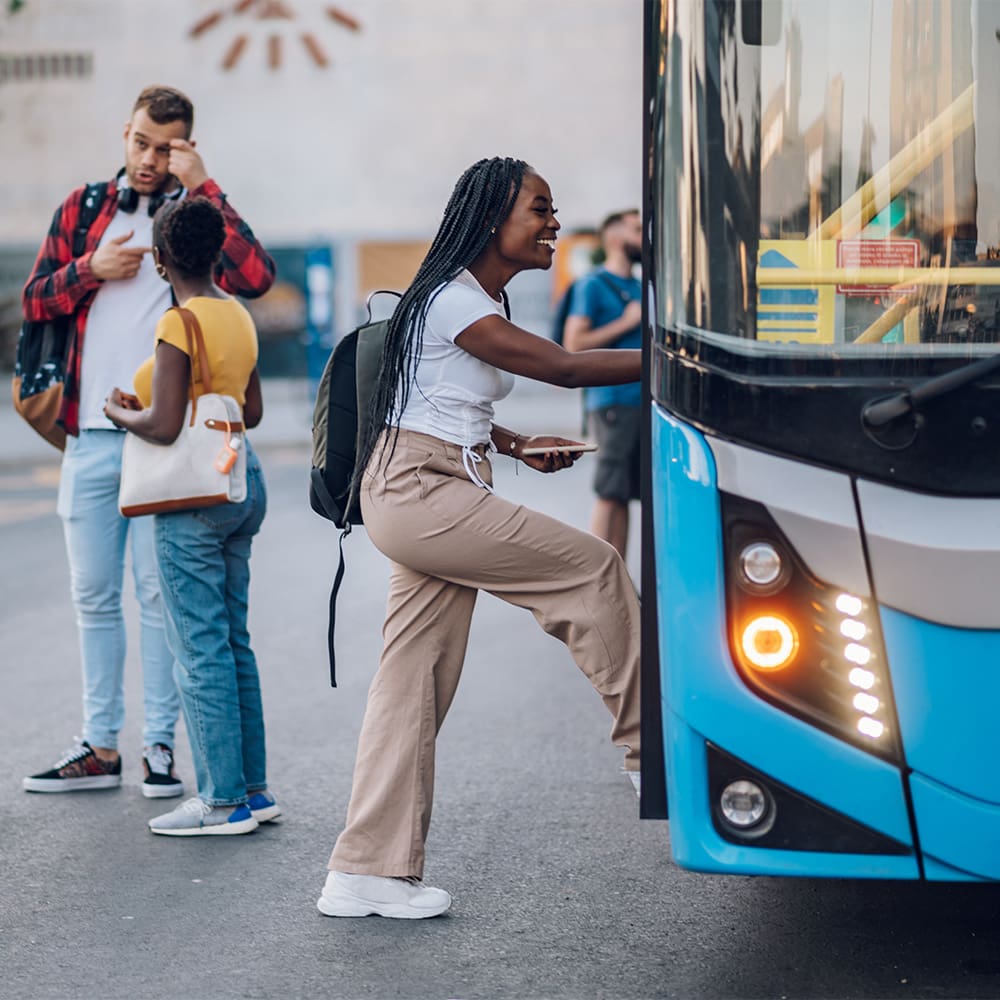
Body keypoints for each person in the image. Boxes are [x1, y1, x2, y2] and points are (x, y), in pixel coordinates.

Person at [317, 157, 641, 920]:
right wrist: (689, 360)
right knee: (592, 570)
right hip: (421, 492)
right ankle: (653, 755)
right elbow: (563, 367)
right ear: (494, 217)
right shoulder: (452, 299)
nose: (554, 223)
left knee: (411, 683)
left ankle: (365, 870)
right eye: (540, 208)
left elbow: (432, 399)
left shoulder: (462, 300)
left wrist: (517, 441)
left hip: (433, 482)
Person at [21, 86, 275, 799]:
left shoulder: (192, 220)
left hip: (169, 439)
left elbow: (256, 278)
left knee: (160, 597)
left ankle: (158, 750)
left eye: (167, 147)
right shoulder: (81, 210)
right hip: (92, 436)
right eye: (141, 142)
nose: (150, 159)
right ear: (124, 134)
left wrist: (206, 186)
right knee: (92, 595)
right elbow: (33, 299)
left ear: (186, 146)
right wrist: (88, 272)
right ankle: (100, 745)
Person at [103, 196, 277, 836]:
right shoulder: (237, 314)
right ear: (215, 253)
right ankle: (254, 791)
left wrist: (119, 412)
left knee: (199, 648)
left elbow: (164, 422)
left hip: (193, 497)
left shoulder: (178, 324)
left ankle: (222, 802)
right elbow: (249, 410)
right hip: (241, 480)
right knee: (234, 641)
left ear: (158, 258)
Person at [563, 210, 643, 560]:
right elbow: (574, 344)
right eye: (637, 230)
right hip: (611, 402)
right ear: (614, 238)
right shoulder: (592, 285)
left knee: (624, 494)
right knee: (609, 492)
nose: (645, 237)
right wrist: (626, 323)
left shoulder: (641, 287)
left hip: (643, 402)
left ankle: (619, 578)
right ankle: (599, 580)